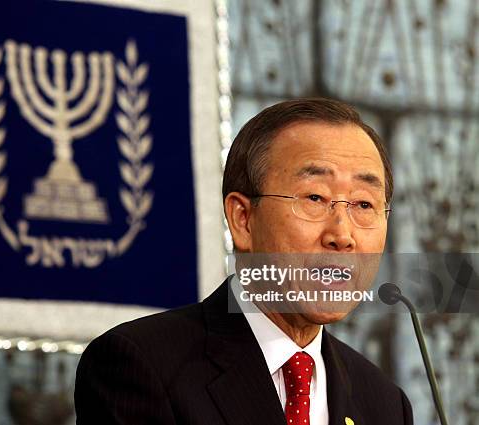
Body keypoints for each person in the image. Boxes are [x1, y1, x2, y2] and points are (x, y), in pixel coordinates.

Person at [74, 98, 413, 424]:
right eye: (315, 197)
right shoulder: (143, 366)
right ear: (243, 220)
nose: (342, 235)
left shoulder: (384, 403)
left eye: (364, 205)